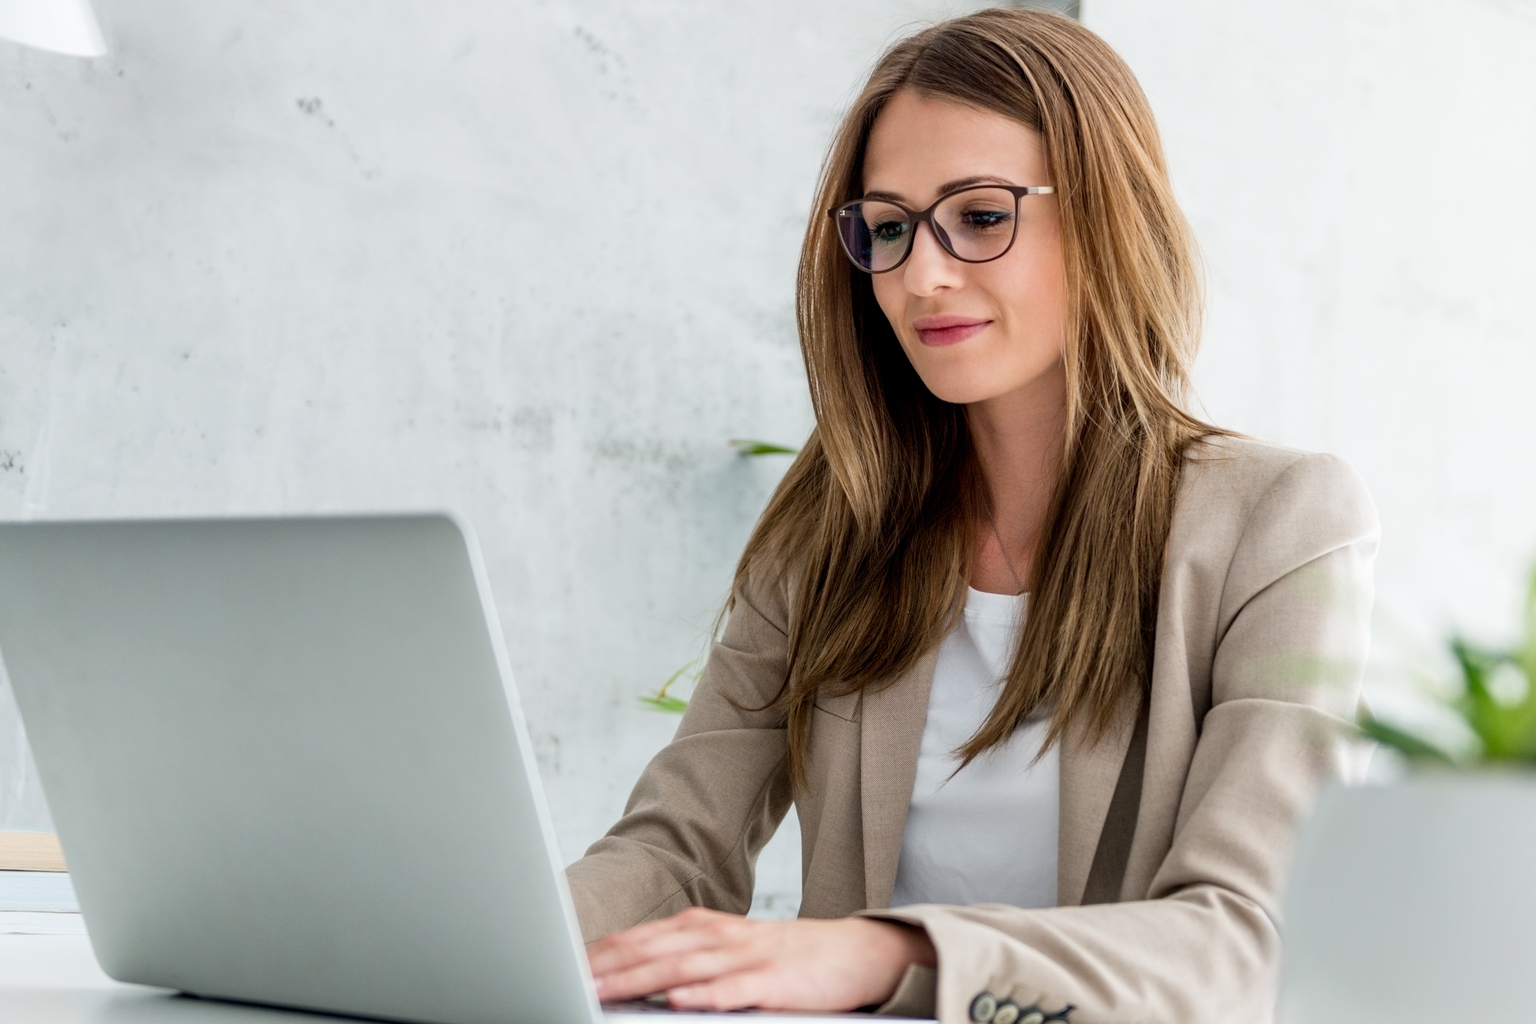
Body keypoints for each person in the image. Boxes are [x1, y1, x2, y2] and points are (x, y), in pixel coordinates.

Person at [565, 9, 1378, 1024]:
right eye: (891, 225)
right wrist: (515, 928)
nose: (922, 275)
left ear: (1109, 217)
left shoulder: (1278, 520)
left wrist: (889, 953)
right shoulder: (838, 519)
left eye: (982, 216)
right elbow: (676, 849)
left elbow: (1247, 937)